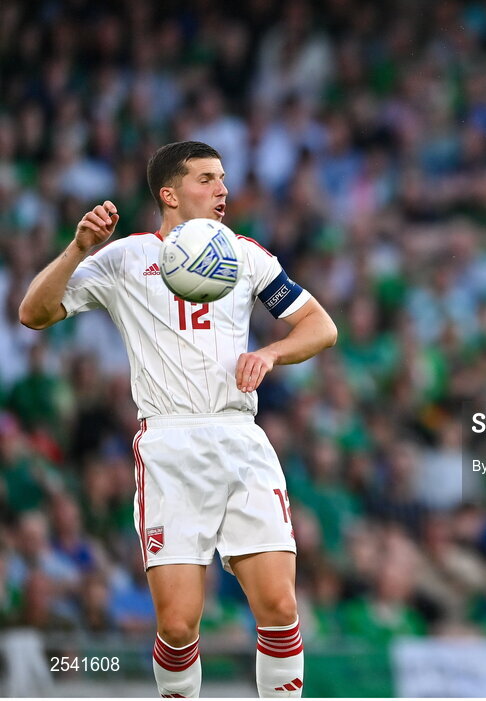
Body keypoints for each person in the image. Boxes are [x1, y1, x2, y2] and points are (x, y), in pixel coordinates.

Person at [19, 141, 337, 698]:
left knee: (281, 605)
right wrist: (77, 248)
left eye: (223, 179)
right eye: (208, 179)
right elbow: (33, 313)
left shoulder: (246, 254)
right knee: (177, 623)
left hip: (240, 437)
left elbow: (320, 326)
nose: (223, 190)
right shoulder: (124, 258)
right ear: (170, 194)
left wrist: (270, 353)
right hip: (169, 443)